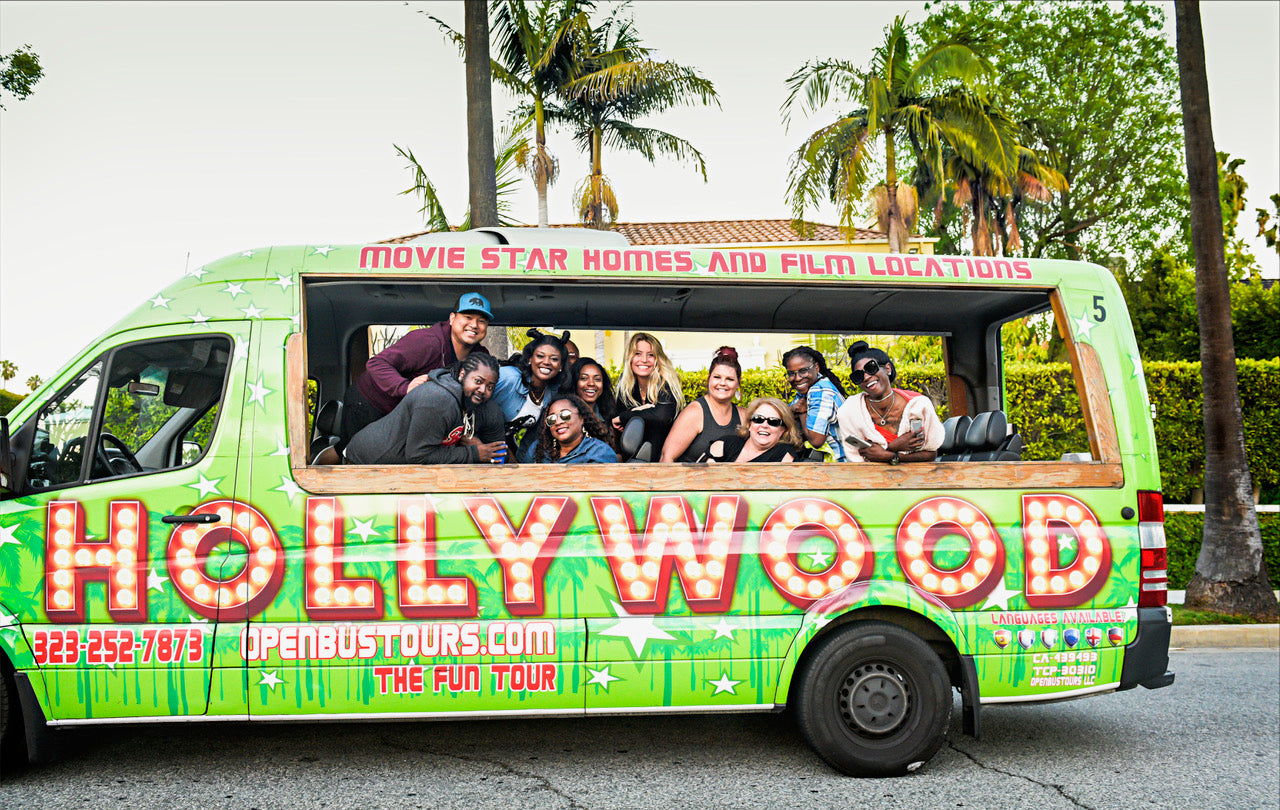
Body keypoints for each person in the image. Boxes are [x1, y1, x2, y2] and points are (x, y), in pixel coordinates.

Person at [339, 292, 492, 448]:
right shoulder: (427, 342)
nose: (474, 325)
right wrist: (406, 386)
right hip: (371, 402)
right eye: (468, 317)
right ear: (452, 318)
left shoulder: (480, 358)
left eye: (481, 321)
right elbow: (377, 363)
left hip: (403, 416)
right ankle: (317, 460)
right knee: (352, 455)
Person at [343, 353, 506, 465]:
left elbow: (498, 457)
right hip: (368, 460)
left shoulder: (482, 407)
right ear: (462, 374)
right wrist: (474, 454)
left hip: (404, 464)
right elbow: (419, 455)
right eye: (478, 381)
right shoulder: (438, 400)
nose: (483, 390)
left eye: (490, 386)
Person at [836, 340, 944, 464]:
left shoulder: (918, 405)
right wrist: (893, 447)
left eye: (871, 368)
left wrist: (889, 455)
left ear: (887, 368)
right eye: (859, 376)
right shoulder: (851, 411)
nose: (866, 377)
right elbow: (857, 461)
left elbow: (931, 453)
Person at [493, 329, 569, 463]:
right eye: (540, 356)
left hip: (500, 449)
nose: (546, 362)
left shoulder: (551, 393)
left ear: (561, 365)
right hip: (474, 444)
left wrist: (522, 465)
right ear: (530, 359)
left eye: (554, 359)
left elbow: (531, 438)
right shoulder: (508, 377)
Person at [661, 346, 746, 462]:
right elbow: (667, 458)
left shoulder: (743, 415)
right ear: (709, 379)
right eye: (717, 377)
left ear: (738, 384)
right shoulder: (694, 413)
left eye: (729, 379)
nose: (722, 383)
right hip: (688, 479)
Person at [613, 332, 684, 457]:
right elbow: (621, 427)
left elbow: (662, 417)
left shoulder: (666, 382)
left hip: (666, 458)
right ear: (630, 357)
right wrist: (641, 410)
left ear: (658, 359)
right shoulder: (625, 384)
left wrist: (626, 416)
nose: (644, 360)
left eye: (651, 355)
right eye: (638, 354)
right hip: (633, 459)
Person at [783, 346, 848, 461]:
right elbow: (783, 415)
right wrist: (793, 408)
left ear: (816, 367)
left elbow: (816, 440)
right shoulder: (808, 388)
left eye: (803, 371)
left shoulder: (820, 391)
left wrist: (802, 412)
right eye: (791, 373)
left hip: (841, 464)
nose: (797, 378)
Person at [707, 398, 802, 463]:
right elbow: (702, 477)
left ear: (783, 430)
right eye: (758, 419)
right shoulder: (726, 444)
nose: (764, 425)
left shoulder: (785, 453)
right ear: (749, 424)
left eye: (773, 422)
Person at [536, 394, 619, 464]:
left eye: (565, 415)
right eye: (551, 419)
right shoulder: (541, 453)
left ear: (581, 418)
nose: (558, 422)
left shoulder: (599, 452)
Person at [569, 357, 618, 424]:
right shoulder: (566, 415)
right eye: (584, 378)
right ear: (574, 382)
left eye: (597, 379)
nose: (591, 383)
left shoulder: (610, 417)